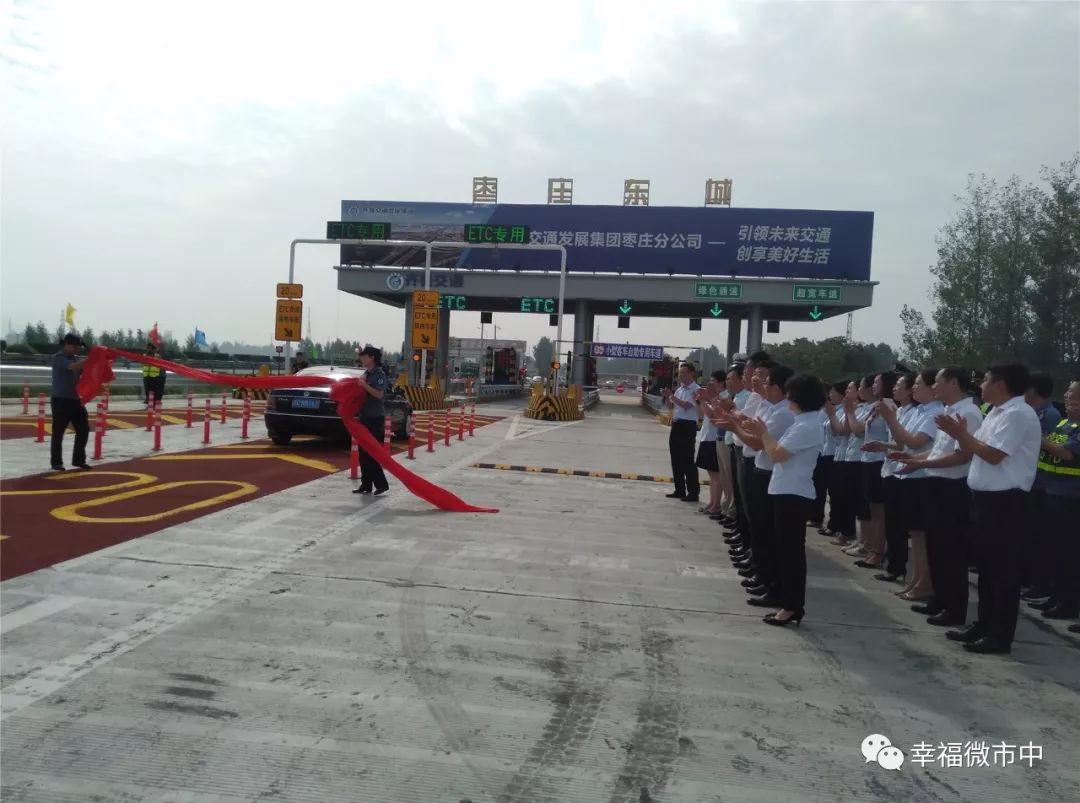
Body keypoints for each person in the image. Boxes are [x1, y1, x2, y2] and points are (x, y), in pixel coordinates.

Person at [935, 363, 1041, 654]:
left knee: (1003, 571)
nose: (980, 386)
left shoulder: (1019, 414)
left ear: (1000, 384)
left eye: (986, 381)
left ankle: (999, 634)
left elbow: (993, 455)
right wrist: (963, 436)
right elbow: (978, 447)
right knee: (986, 569)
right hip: (985, 500)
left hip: (1007, 502)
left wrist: (960, 433)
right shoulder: (996, 412)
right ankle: (983, 624)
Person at [895, 366, 983, 628]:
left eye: (938, 382)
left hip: (953, 488)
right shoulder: (948, 411)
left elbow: (961, 455)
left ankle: (954, 608)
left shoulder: (969, 413)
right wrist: (913, 458)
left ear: (953, 383)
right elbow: (937, 451)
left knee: (951, 550)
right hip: (936, 482)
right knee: (936, 547)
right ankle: (940, 599)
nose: (934, 387)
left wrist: (921, 464)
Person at [739, 373, 825, 626]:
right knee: (784, 550)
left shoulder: (807, 426)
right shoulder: (802, 422)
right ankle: (786, 600)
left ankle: (792, 605)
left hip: (793, 493)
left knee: (790, 554)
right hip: (785, 491)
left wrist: (763, 433)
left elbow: (776, 454)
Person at [716, 363, 796, 607]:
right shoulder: (769, 406)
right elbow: (754, 429)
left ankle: (769, 582)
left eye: (767, 382)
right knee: (757, 526)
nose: (761, 385)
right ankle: (761, 576)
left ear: (779, 387)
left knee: (765, 531)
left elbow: (760, 441)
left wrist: (734, 426)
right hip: (759, 467)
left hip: (769, 474)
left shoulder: (783, 413)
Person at [880, 368, 941, 600]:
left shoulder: (934, 413)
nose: (914, 388)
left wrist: (890, 419)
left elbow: (915, 442)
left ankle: (923, 583)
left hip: (921, 477)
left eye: (918, 384)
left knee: (920, 535)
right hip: (909, 474)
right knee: (914, 534)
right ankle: (916, 580)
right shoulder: (920, 411)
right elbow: (901, 443)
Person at [1028, 379, 1080, 622]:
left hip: (1071, 496)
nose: (1068, 401)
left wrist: (1039, 438)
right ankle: (1055, 596)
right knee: (1054, 550)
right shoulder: (1063, 422)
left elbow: (1066, 452)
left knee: (1069, 554)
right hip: (1052, 491)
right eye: (1068, 396)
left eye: (1074, 397)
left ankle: (1068, 603)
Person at [1020, 371, 1059, 601]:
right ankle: (1029, 578)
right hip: (1032, 482)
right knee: (1028, 536)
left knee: (1039, 538)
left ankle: (1039, 582)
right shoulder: (1032, 413)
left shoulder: (1051, 415)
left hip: (1043, 482)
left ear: (1032, 390)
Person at [351, 345, 390, 496]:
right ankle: (366, 485)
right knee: (363, 453)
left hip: (375, 418)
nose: (361, 359)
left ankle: (381, 484)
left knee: (371, 452)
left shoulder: (379, 374)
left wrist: (364, 385)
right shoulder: (366, 374)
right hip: (365, 417)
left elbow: (378, 394)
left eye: (364, 356)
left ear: (371, 358)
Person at [50, 333, 90, 472]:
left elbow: (86, 369)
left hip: (75, 400)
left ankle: (79, 460)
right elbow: (74, 367)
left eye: (78, 347)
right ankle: (56, 462)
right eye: (75, 346)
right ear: (66, 345)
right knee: (58, 432)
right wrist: (90, 359)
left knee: (83, 429)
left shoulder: (76, 358)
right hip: (60, 400)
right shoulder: (59, 358)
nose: (77, 349)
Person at [661, 362, 701, 501]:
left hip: (688, 426)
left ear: (692, 374)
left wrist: (672, 396)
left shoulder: (696, 390)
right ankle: (679, 489)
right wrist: (667, 397)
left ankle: (693, 492)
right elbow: (672, 407)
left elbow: (685, 406)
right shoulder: (679, 390)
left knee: (687, 460)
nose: (681, 375)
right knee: (676, 459)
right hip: (676, 425)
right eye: (680, 373)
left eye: (684, 372)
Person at [694, 371, 726, 514]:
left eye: (713, 380)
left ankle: (716, 505)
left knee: (716, 474)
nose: (710, 383)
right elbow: (702, 415)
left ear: (721, 382)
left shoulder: (723, 398)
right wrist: (701, 401)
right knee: (711, 474)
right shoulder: (713, 398)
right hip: (706, 436)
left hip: (715, 438)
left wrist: (703, 400)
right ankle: (712, 502)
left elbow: (713, 415)